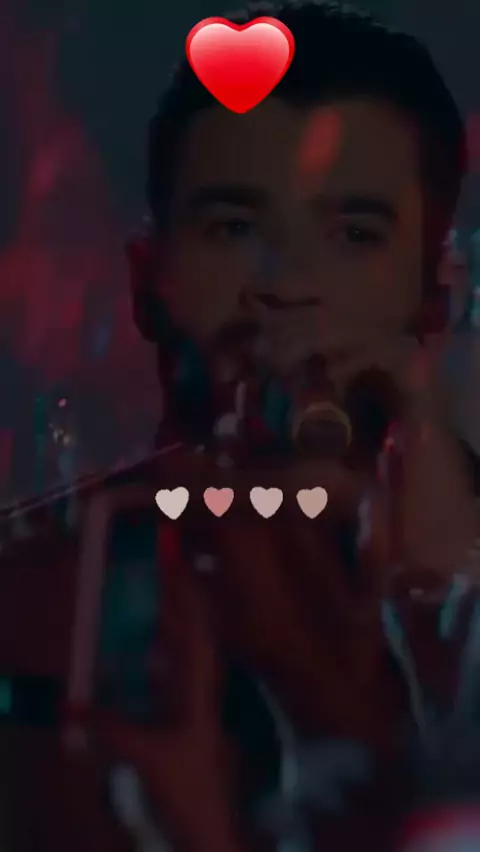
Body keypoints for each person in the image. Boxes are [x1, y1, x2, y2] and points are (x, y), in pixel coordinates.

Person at [0, 1, 479, 851]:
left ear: (440, 295)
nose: (287, 284)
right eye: (234, 228)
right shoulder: (34, 588)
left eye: (353, 234)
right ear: (148, 278)